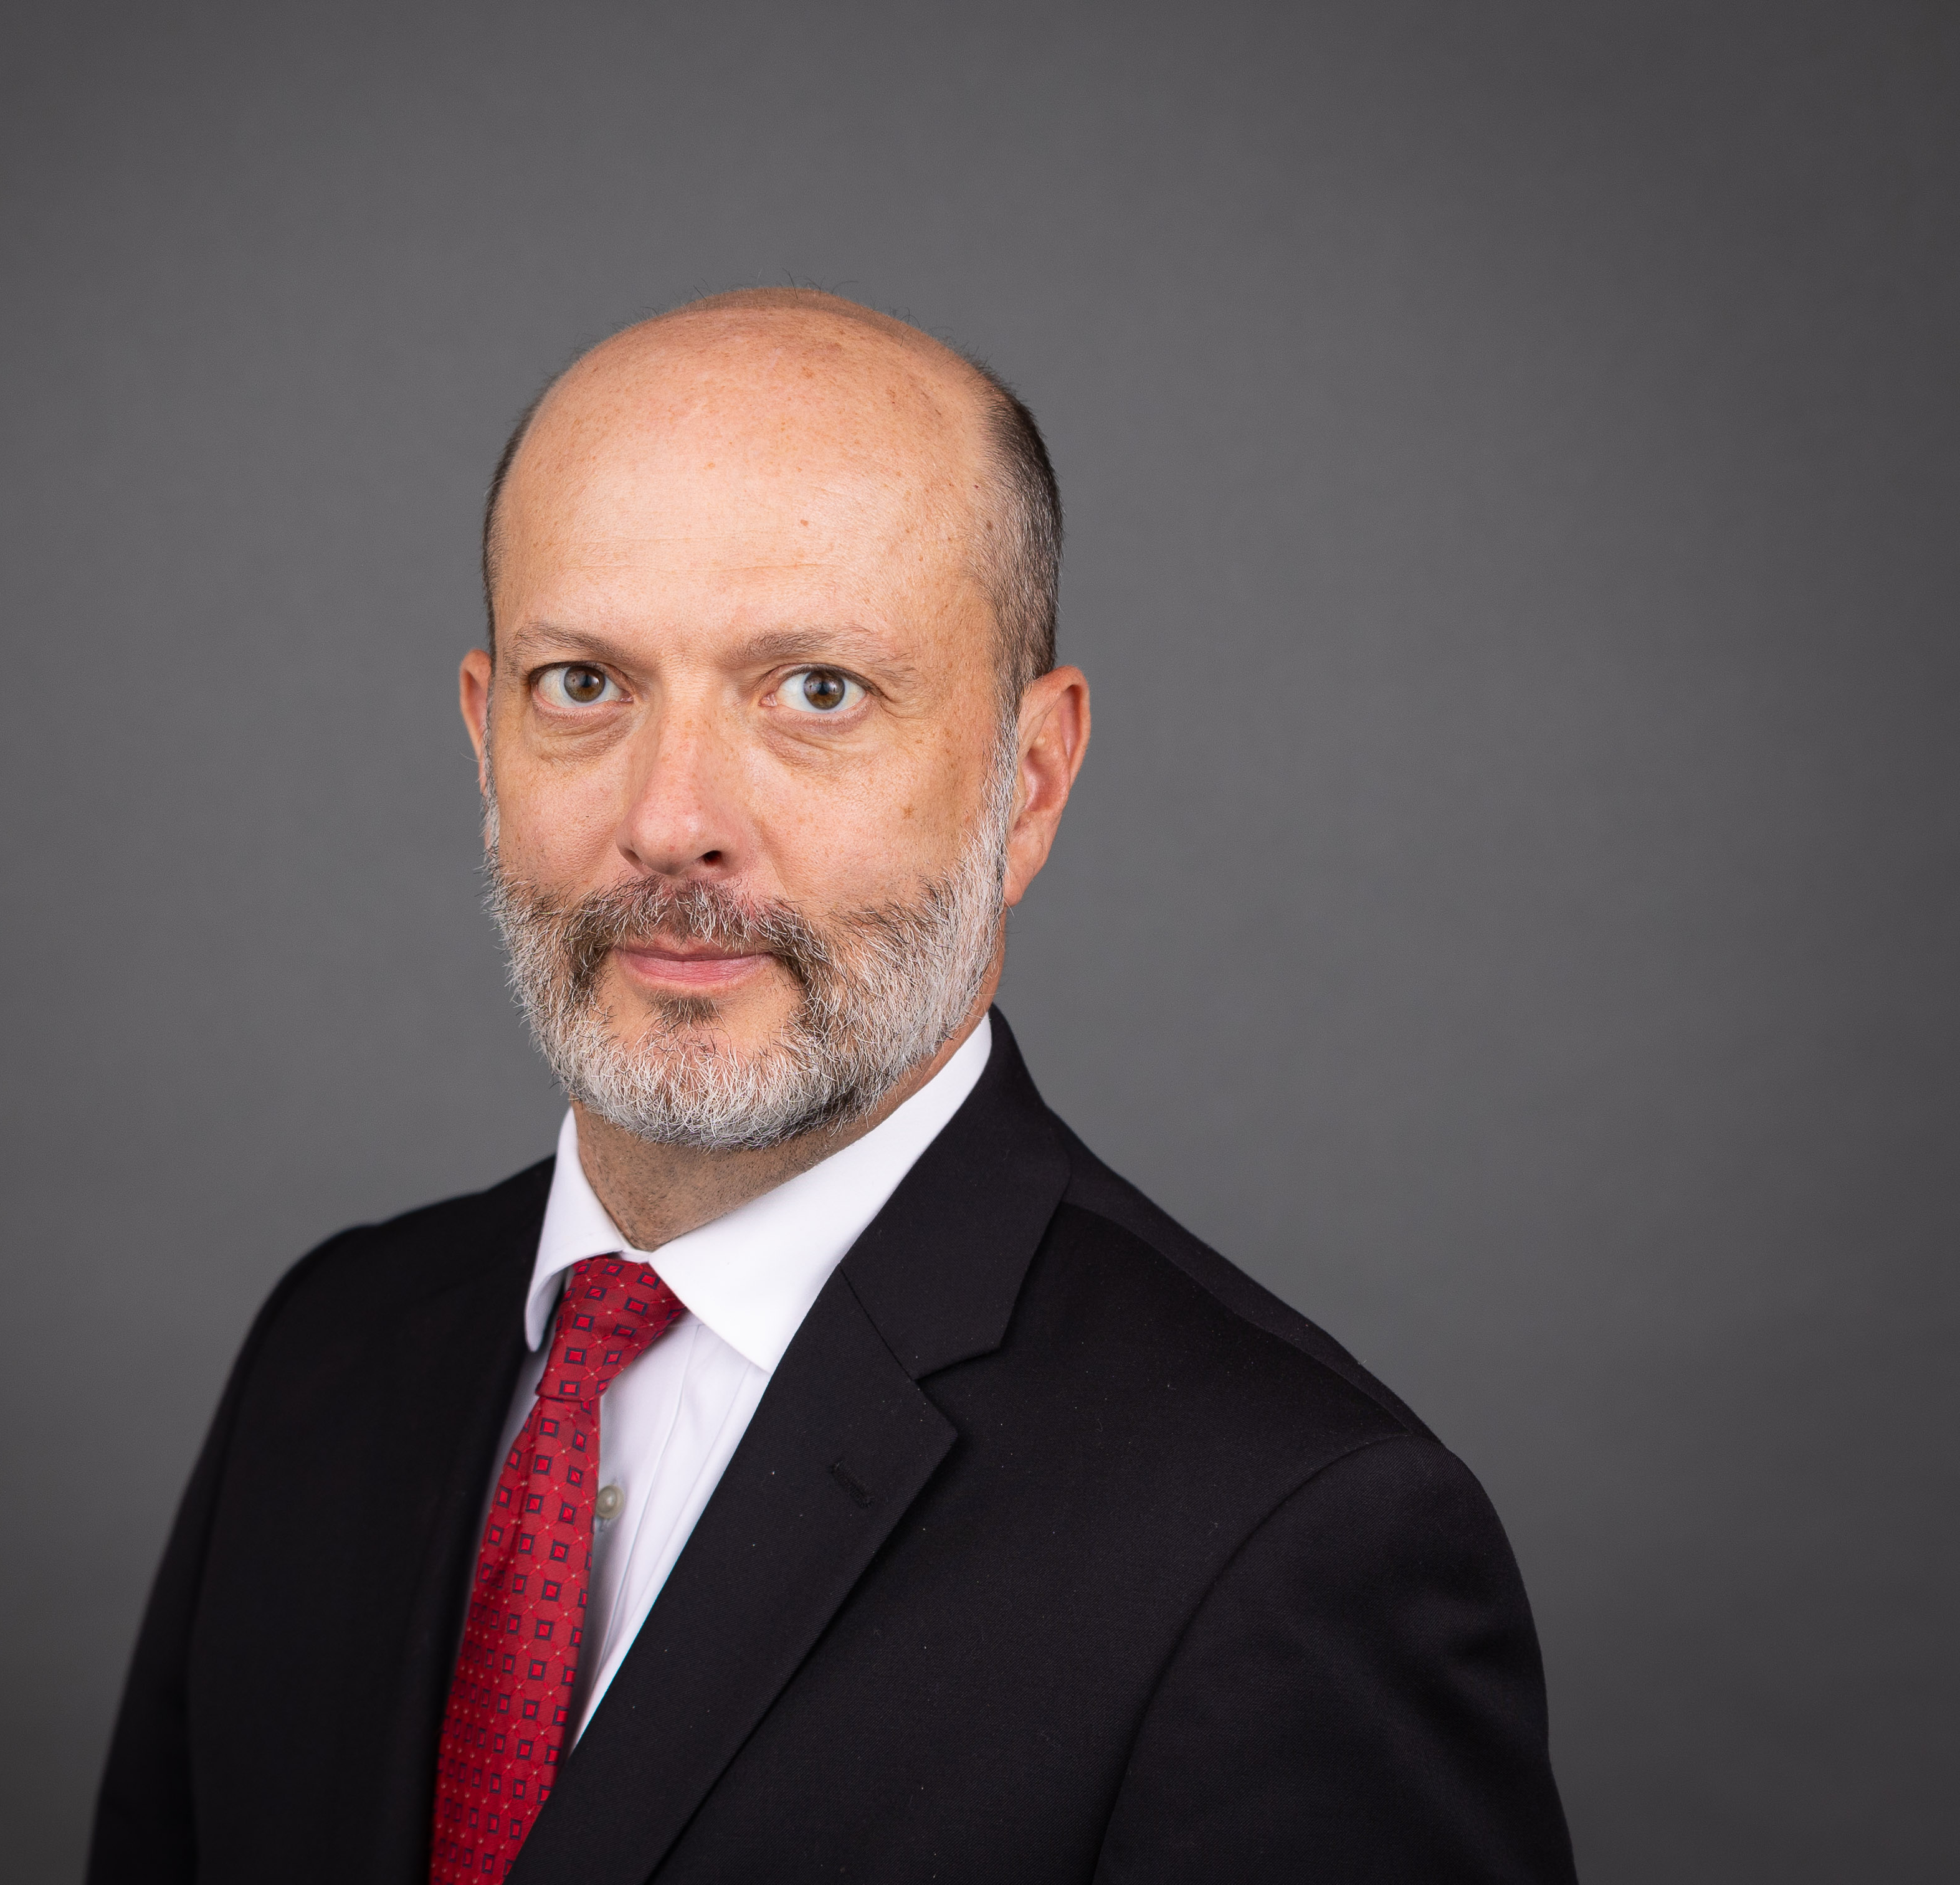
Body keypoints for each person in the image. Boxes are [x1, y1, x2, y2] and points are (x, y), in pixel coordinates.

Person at [87, 288, 1578, 1884]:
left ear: (1027, 782)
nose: (672, 821)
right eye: (583, 683)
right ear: (483, 741)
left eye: (816, 691)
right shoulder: (328, 1353)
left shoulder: (1285, 1536)